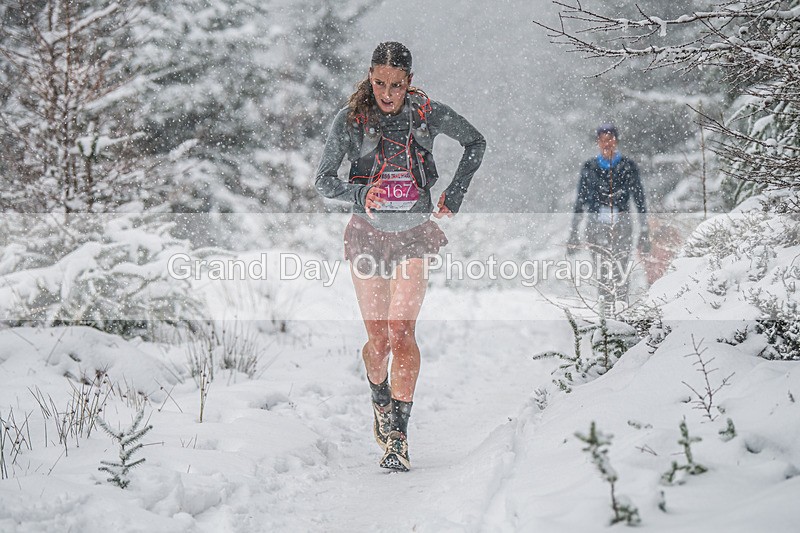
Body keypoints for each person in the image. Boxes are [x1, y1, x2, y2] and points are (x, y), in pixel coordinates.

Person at [315, 41, 486, 471]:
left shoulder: (425, 113)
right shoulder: (352, 119)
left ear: (408, 82)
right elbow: (322, 181)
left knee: (401, 332)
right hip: (366, 235)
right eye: (378, 83)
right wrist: (360, 192)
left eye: (395, 85)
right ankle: (379, 398)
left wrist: (455, 192)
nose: (386, 93)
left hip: (413, 234)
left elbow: (475, 142)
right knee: (378, 341)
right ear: (370, 78)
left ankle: (397, 437)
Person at [567, 123, 649, 308]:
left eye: (610, 139)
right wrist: (573, 232)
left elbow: (639, 200)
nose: (607, 144)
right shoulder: (589, 167)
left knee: (621, 271)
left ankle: (621, 313)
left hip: (622, 224)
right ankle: (606, 318)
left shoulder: (628, 166)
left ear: (616, 141)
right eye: (603, 140)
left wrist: (645, 231)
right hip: (596, 226)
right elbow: (580, 202)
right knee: (603, 273)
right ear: (598, 142)